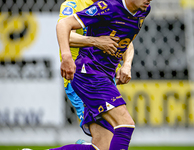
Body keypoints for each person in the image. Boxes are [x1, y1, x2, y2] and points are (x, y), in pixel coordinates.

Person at [54, 0, 152, 149]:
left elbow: (125, 40)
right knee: (124, 124)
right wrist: (94, 42)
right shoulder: (76, 5)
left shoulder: (137, 9)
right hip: (81, 73)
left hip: (103, 76)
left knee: (103, 146)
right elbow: (64, 30)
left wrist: (126, 64)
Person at [58, 0, 134, 128]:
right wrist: (97, 41)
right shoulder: (72, 5)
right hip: (81, 77)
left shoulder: (113, 5)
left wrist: (127, 64)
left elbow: (127, 41)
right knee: (111, 134)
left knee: (107, 139)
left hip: (105, 78)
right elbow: (67, 35)